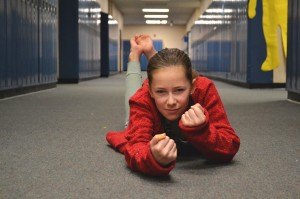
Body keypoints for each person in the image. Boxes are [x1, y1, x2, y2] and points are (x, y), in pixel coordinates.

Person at [106, 35, 240, 176]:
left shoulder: (203, 89)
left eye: (179, 90)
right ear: (150, 90)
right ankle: (134, 56)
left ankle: (151, 53)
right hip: (146, 106)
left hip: (165, 84)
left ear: (193, 86)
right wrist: (152, 157)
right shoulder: (142, 99)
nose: (171, 102)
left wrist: (203, 131)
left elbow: (230, 144)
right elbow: (135, 148)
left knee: (166, 76)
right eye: (160, 92)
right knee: (131, 113)